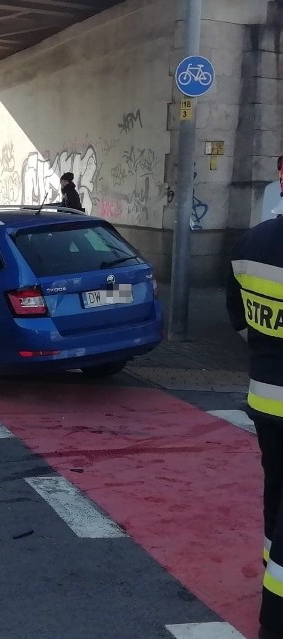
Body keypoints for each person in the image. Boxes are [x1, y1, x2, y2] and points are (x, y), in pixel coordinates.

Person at [226, 213, 283, 639]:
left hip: (266, 398)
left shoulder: (251, 244)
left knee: (276, 491)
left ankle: (268, 570)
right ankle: (274, 617)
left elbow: (239, 319)